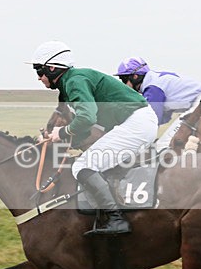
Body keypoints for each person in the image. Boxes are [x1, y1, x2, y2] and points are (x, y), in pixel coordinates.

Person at [28, 41, 158, 236]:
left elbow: (87, 117)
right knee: (90, 162)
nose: (39, 78)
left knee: (82, 166)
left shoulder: (74, 81)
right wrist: (55, 137)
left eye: (39, 71)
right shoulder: (68, 86)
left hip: (136, 123)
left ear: (52, 68)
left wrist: (62, 133)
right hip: (136, 122)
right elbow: (85, 127)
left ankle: (116, 219)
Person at [114, 56, 201, 151]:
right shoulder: (152, 81)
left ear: (135, 76)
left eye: (123, 79)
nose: (123, 85)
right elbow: (163, 117)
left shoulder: (153, 88)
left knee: (163, 145)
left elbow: (152, 120)